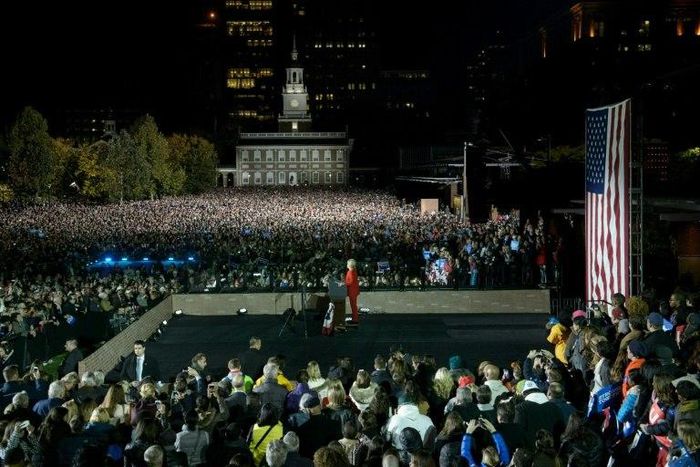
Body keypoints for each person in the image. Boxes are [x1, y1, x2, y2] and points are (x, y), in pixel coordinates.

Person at [345, 259, 360, 326]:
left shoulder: (350, 272)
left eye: (347, 263)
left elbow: (350, 282)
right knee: (354, 305)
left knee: (353, 305)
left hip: (352, 291)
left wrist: (344, 283)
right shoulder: (353, 271)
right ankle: (355, 319)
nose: (347, 264)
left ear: (350, 265)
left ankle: (355, 320)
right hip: (354, 291)